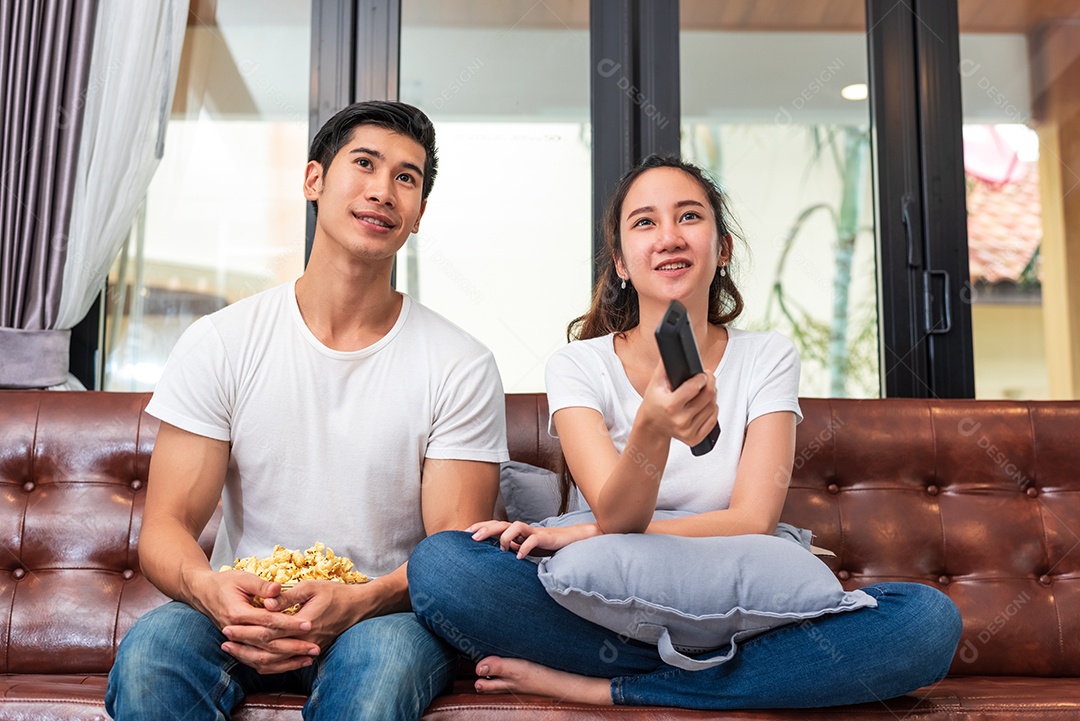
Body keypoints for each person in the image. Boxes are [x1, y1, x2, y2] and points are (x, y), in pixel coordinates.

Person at [408, 154, 962, 709]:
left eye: (689, 217)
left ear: (721, 249)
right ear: (621, 262)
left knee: (926, 621)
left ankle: (611, 688)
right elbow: (618, 514)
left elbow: (753, 520)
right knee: (442, 567)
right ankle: (734, 681)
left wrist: (584, 534)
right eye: (645, 223)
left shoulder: (767, 356)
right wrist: (650, 428)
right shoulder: (579, 365)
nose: (669, 237)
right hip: (606, 619)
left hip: (738, 620)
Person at [106, 101, 509, 721]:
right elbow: (165, 527)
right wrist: (211, 591)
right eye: (365, 164)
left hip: (380, 618)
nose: (383, 190)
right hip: (242, 610)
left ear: (419, 214)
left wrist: (359, 601)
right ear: (314, 180)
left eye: (406, 178)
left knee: (381, 676)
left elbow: (450, 555)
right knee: (150, 657)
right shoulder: (222, 342)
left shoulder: (460, 363)